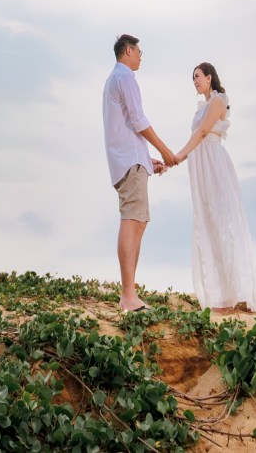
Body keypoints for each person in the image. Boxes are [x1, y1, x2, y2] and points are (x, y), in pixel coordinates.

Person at [175, 63, 256, 314]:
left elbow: (203, 132)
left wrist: (179, 156)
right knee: (208, 222)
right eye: (192, 78)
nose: (194, 81)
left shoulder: (218, 100)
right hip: (200, 165)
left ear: (209, 77)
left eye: (197, 76)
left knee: (224, 222)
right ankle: (221, 294)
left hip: (213, 164)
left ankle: (239, 291)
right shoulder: (201, 106)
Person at [102, 34, 178, 312]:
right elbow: (138, 120)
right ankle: (128, 295)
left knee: (138, 223)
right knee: (131, 220)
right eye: (139, 51)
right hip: (128, 163)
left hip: (131, 160)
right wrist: (166, 151)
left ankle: (129, 293)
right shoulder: (125, 78)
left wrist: (150, 159)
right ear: (129, 50)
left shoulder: (115, 79)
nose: (141, 56)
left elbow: (129, 128)